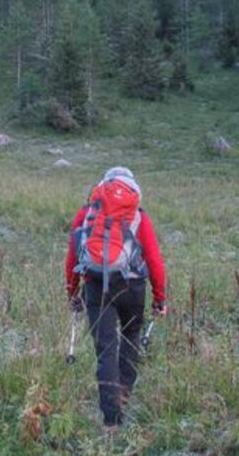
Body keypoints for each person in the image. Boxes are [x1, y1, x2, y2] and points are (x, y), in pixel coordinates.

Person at [65, 166, 167, 431]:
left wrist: (72, 292)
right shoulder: (138, 216)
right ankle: (123, 393)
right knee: (131, 336)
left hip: (95, 286)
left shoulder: (86, 213)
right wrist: (160, 298)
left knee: (106, 350)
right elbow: (154, 260)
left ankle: (111, 421)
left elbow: (73, 255)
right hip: (132, 287)